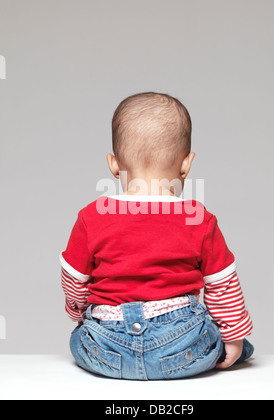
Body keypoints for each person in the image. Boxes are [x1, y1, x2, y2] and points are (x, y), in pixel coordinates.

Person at [60, 92, 254, 380]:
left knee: (79, 338)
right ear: (186, 164)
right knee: (233, 343)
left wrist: (79, 315)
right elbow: (223, 286)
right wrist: (235, 337)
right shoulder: (198, 218)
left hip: (107, 350)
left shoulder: (92, 216)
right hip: (180, 347)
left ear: (113, 164)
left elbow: (74, 281)